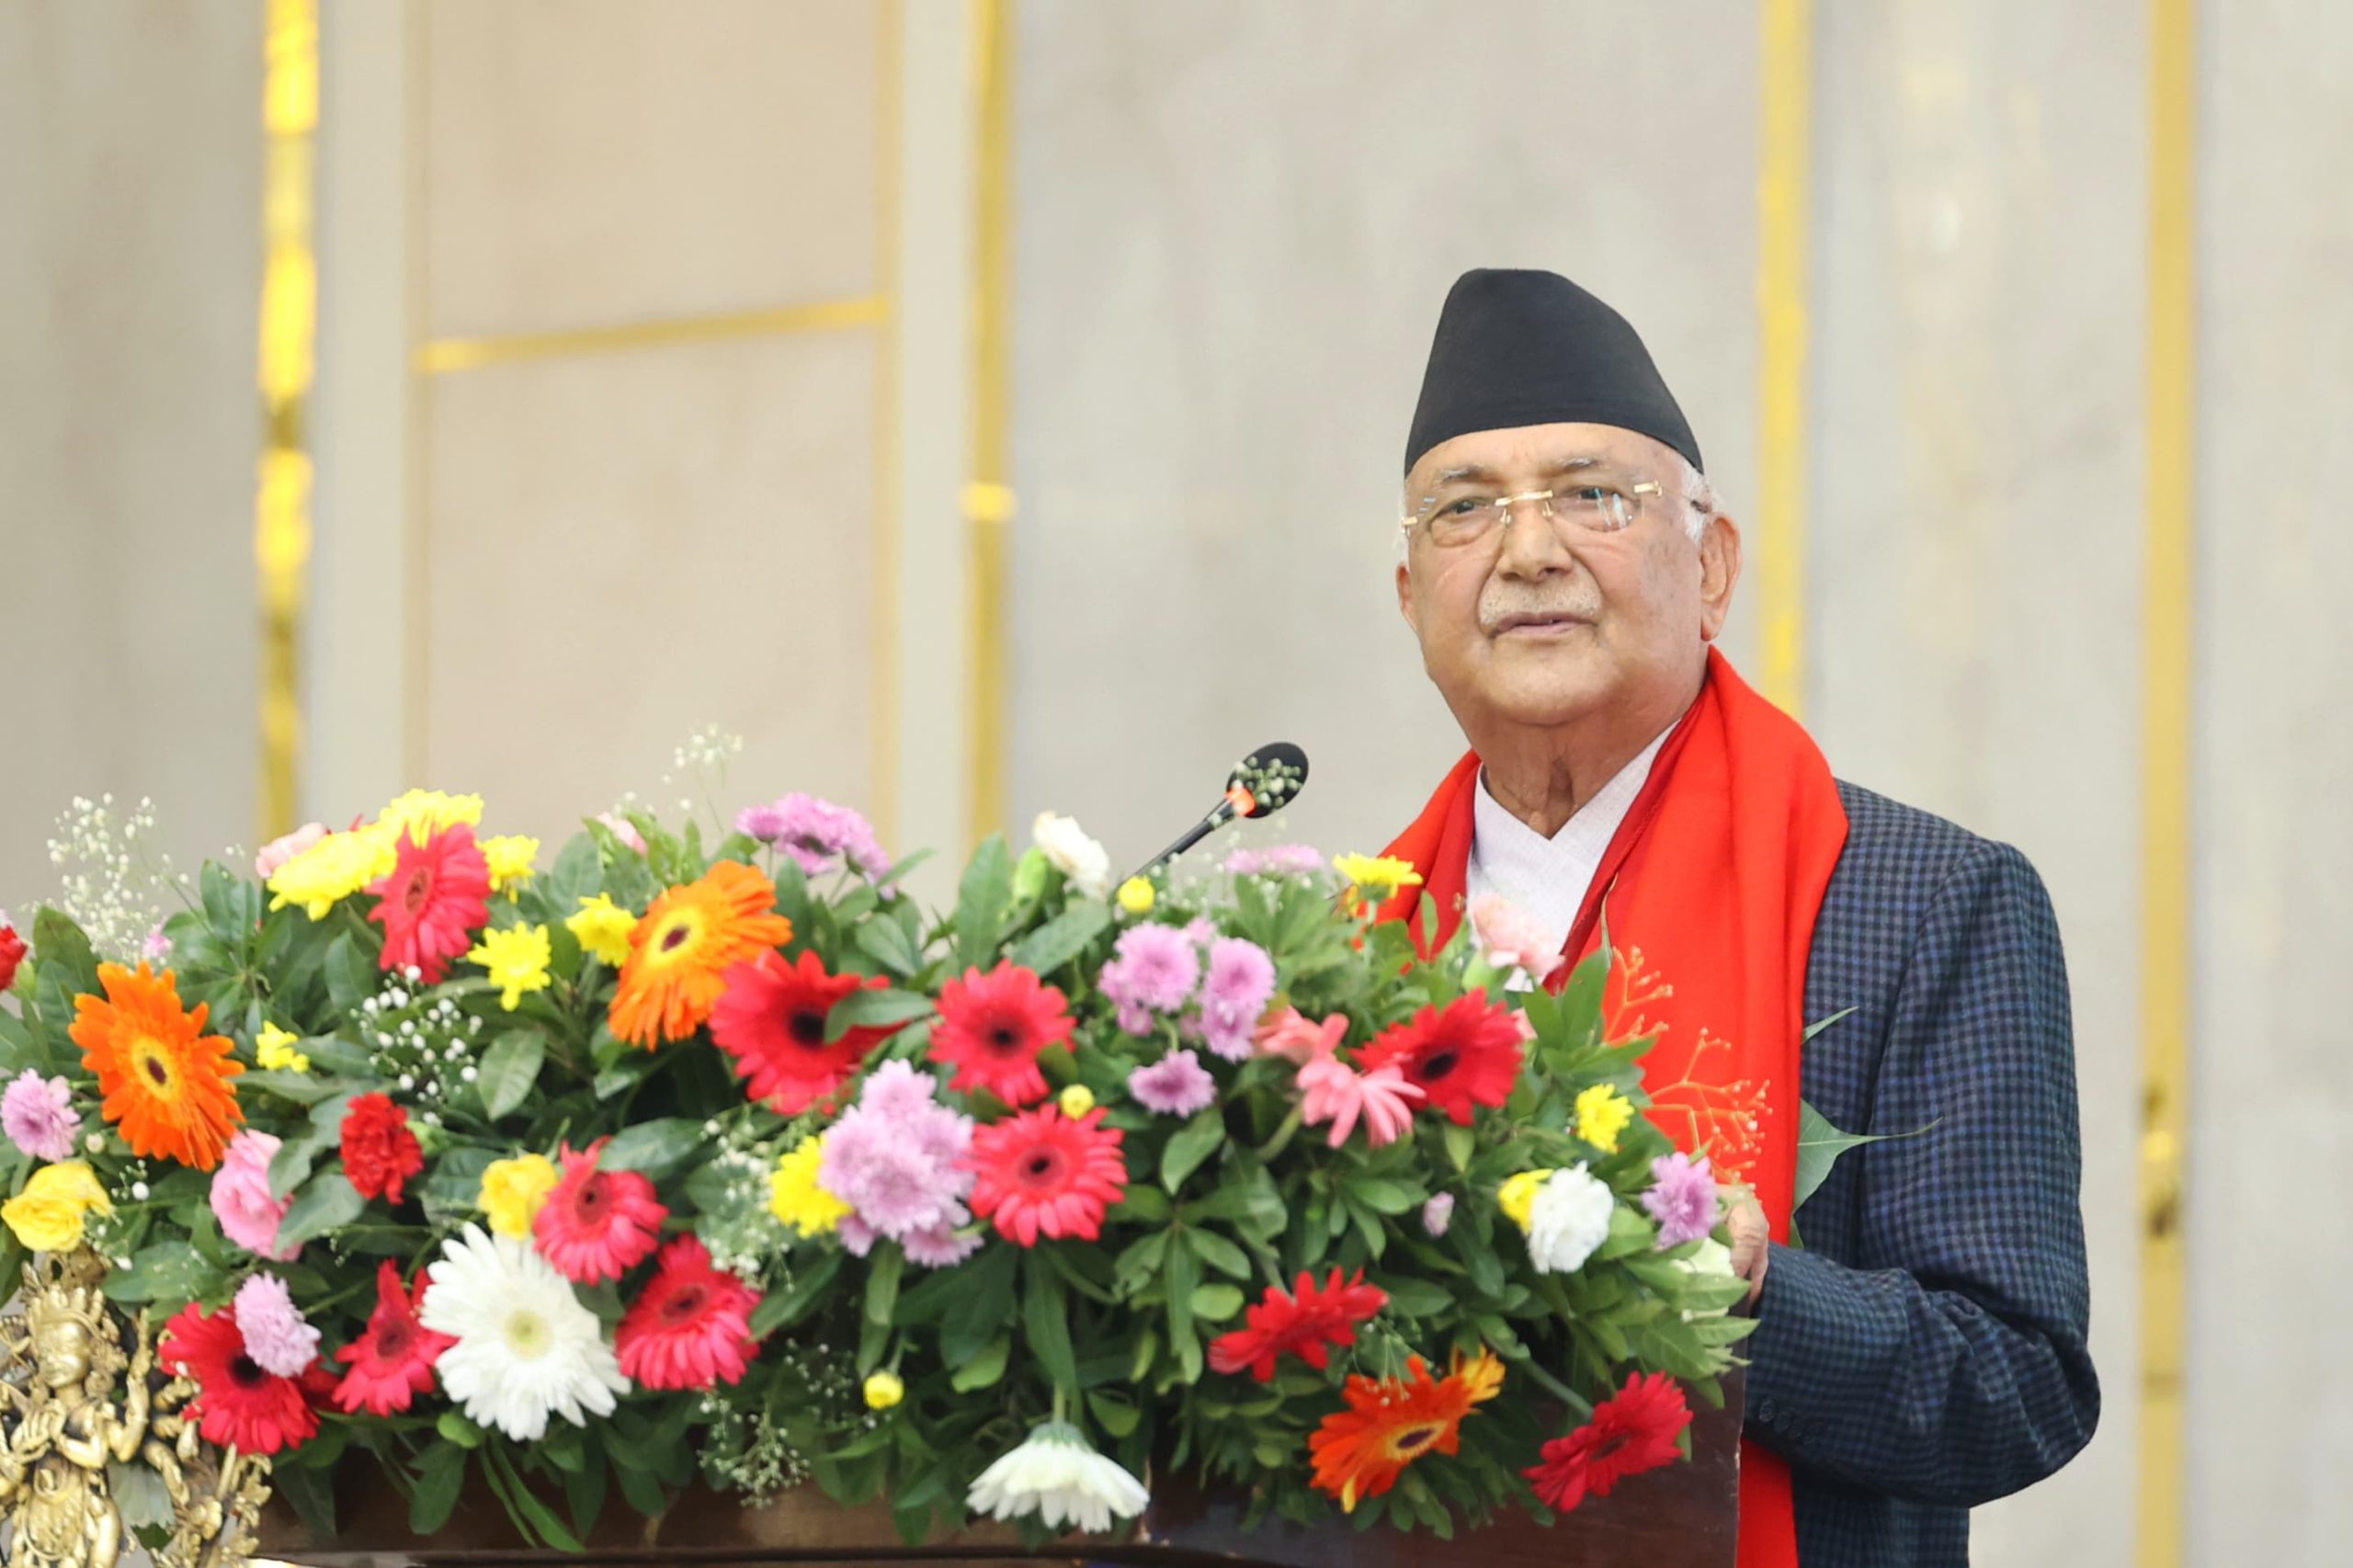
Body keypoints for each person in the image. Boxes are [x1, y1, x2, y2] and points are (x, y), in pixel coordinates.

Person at [1374, 269, 2098, 1566]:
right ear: (1411, 595)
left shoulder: (1917, 901)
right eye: (1465, 508)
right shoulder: (1340, 954)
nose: (1526, 553)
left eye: (1591, 495)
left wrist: (1748, 1288)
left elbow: (2017, 1385)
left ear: (1711, 568)